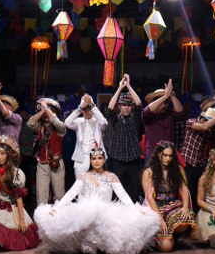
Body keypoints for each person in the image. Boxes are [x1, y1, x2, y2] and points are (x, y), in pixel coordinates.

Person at [34, 147, 159, 254]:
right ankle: (88, 244)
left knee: (111, 220)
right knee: (83, 215)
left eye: (99, 158)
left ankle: (101, 246)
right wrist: (57, 208)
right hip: (86, 213)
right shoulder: (84, 176)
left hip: (106, 213)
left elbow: (123, 195)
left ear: (104, 160)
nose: (97, 161)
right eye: (94, 158)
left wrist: (135, 209)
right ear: (90, 161)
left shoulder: (111, 176)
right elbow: (71, 193)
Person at [141, 141, 198, 253]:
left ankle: (175, 236)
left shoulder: (178, 169)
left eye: (170, 156)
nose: (168, 159)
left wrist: (185, 207)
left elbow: (184, 190)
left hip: (173, 204)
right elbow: (150, 198)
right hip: (156, 207)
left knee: (184, 218)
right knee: (166, 247)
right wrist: (161, 220)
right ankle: (160, 239)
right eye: (165, 155)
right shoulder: (149, 172)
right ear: (159, 154)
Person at [182, 98, 215, 202]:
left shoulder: (210, 129)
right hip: (187, 164)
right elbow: (204, 127)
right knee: (188, 192)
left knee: (198, 193)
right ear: (202, 118)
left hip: (199, 165)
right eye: (208, 120)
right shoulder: (191, 122)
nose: (210, 124)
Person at [105, 74, 144, 202]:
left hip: (134, 161)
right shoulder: (115, 119)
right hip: (118, 161)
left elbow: (139, 104)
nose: (126, 107)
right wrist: (120, 88)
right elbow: (110, 108)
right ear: (119, 107)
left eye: (128, 105)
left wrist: (128, 86)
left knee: (134, 190)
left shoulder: (134, 119)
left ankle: (134, 211)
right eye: (123, 105)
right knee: (118, 191)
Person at [27, 98, 66, 205]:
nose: (46, 114)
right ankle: (42, 215)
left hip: (56, 164)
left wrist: (46, 107)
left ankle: (59, 215)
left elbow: (55, 121)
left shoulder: (60, 127)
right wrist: (42, 110)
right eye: (45, 111)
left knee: (59, 196)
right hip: (42, 165)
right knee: (41, 197)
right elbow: (29, 123)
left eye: (49, 110)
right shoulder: (39, 127)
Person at [65, 93, 108, 180]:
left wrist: (93, 106)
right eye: (85, 110)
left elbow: (104, 123)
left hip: (97, 157)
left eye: (89, 109)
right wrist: (79, 109)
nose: (87, 112)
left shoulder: (98, 121)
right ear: (82, 111)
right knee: (80, 185)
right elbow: (67, 123)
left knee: (98, 185)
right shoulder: (78, 122)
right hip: (81, 159)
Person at [142, 79, 185, 164]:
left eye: (165, 102)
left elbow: (180, 112)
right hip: (152, 154)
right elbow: (146, 110)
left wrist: (171, 95)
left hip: (168, 154)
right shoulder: (149, 115)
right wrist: (165, 96)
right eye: (161, 102)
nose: (164, 105)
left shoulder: (170, 114)